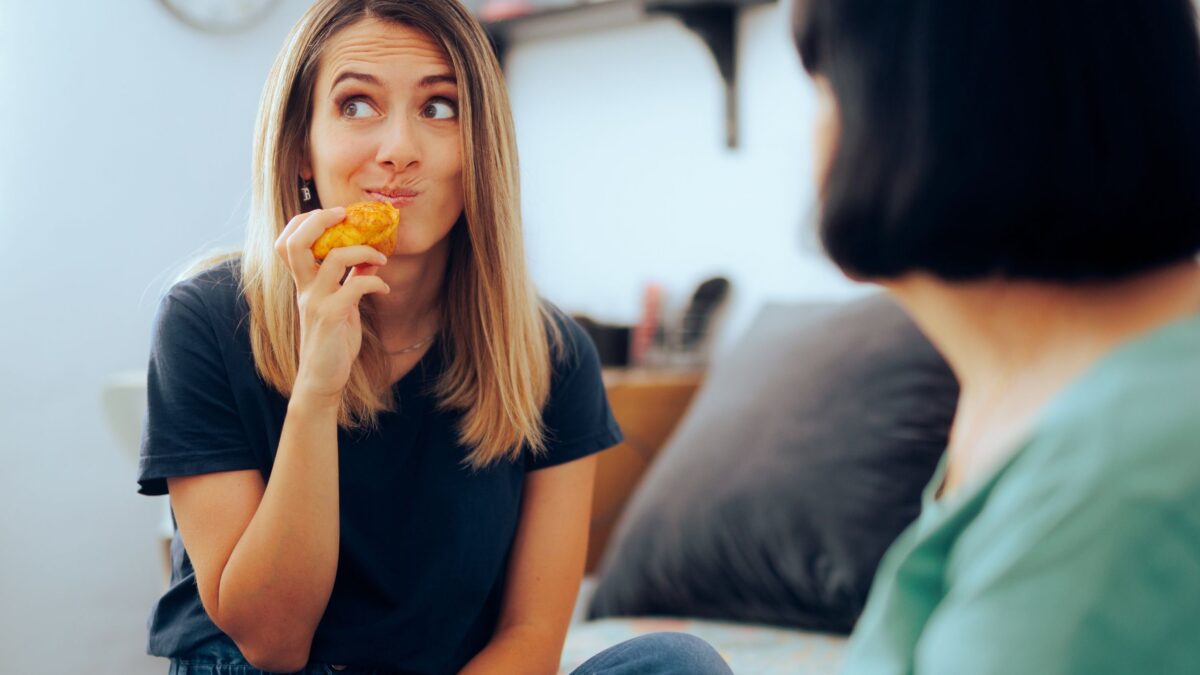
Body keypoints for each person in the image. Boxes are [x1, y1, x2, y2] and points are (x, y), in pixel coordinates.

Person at [137, 1, 732, 673]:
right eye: (356, 105)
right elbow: (270, 643)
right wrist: (316, 390)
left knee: (678, 662)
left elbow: (530, 639)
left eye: (440, 108)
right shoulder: (205, 323)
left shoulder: (553, 358)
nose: (397, 149)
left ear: (481, 148)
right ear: (302, 145)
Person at [792, 0, 1200, 672]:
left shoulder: (1113, 479)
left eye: (823, 80)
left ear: (923, 99)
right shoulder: (1045, 397)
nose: (812, 134)